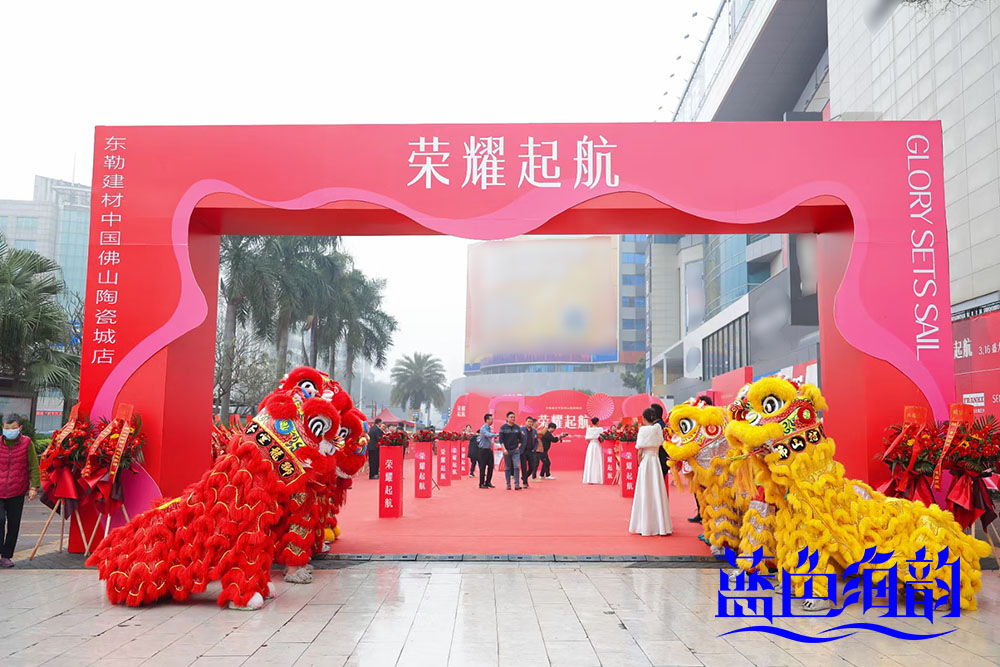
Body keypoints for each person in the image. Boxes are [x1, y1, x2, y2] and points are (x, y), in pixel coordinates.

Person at [1, 414, 40, 567]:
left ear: (20, 428)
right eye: (6, 428)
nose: (9, 431)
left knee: (13, 524)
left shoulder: (27, 443)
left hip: (17, 490)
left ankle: (6, 555)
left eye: (13, 428)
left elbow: (33, 466)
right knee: (0, 520)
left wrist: (34, 487)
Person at [629, 408, 672, 536]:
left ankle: (644, 525)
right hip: (655, 461)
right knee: (657, 491)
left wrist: (639, 463)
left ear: (644, 418)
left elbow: (639, 450)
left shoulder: (643, 430)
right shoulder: (657, 429)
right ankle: (660, 525)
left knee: (645, 491)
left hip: (646, 463)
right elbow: (661, 444)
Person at [498, 412, 525, 490]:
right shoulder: (503, 428)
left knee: (516, 466)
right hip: (506, 450)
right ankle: (508, 484)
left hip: (515, 451)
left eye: (514, 417)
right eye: (511, 417)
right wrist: (504, 449)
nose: (513, 419)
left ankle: (516, 484)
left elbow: (521, 438)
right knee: (507, 468)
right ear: (507, 418)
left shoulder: (517, 427)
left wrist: (518, 446)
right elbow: (501, 440)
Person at [478, 414, 499, 489]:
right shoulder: (483, 429)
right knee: (483, 467)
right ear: (487, 420)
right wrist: (496, 435)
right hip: (483, 450)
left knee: (491, 466)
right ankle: (481, 483)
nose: (492, 420)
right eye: (491, 419)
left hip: (488, 450)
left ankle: (488, 482)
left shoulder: (489, 428)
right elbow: (488, 435)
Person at [582, 417, 604, 484]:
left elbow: (587, 439)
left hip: (591, 446)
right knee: (597, 461)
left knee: (590, 461)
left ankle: (589, 479)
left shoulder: (589, 430)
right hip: (597, 445)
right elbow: (602, 438)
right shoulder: (600, 429)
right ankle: (598, 479)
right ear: (597, 422)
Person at [519, 417, 538, 488]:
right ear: (526, 422)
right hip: (523, 451)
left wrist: (534, 449)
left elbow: (536, 441)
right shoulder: (521, 429)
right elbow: (517, 438)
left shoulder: (534, 431)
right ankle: (525, 482)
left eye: (531, 422)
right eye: (528, 421)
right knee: (524, 467)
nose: (530, 423)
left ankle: (524, 477)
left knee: (532, 467)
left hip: (531, 451)